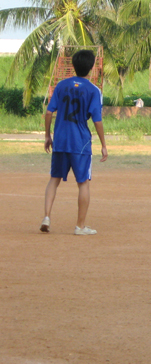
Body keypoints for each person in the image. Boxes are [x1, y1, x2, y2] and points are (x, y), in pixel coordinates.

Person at [40, 49, 108, 235]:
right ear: (92, 67)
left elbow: (49, 112)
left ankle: (46, 217)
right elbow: (97, 120)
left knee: (54, 179)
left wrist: (47, 135)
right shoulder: (94, 90)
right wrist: (103, 144)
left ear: (73, 66)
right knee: (83, 183)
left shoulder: (61, 85)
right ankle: (80, 226)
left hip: (60, 140)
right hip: (80, 143)